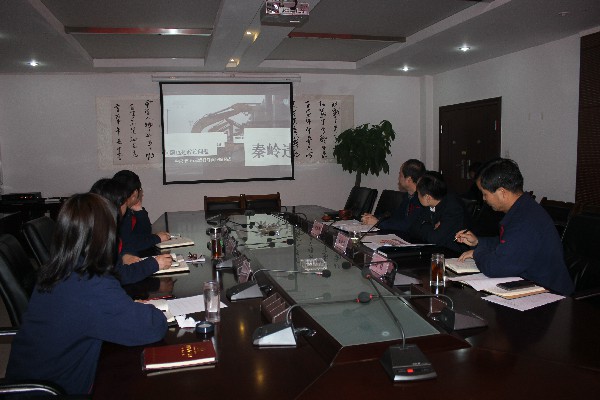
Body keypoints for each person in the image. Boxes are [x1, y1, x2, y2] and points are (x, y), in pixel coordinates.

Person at [6, 193, 168, 395]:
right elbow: (153, 327)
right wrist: (144, 309)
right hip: (52, 391)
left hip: (33, 380)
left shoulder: (58, 269)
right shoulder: (91, 283)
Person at [455, 158, 574, 295]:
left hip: (550, 295)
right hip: (529, 285)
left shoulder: (525, 220)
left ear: (502, 192)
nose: (484, 199)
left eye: (485, 194)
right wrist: (478, 242)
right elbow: (508, 243)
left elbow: (496, 267)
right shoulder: (523, 208)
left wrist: (477, 253)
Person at [90, 178, 172, 284]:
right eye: (125, 200)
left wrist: (125, 254)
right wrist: (154, 264)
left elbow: (125, 242)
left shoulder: (97, 224)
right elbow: (117, 276)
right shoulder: (102, 233)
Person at [113, 170, 170, 255]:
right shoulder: (119, 213)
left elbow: (143, 235)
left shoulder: (125, 209)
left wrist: (139, 210)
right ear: (135, 193)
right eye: (140, 190)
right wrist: (156, 238)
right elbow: (128, 245)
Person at [409, 171, 468, 253]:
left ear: (428, 197)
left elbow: (434, 239)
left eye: (418, 193)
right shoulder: (430, 203)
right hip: (436, 249)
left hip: (454, 253)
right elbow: (413, 228)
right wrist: (432, 227)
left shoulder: (453, 208)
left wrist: (425, 225)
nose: (417, 196)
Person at [361, 159, 425, 233]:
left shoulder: (422, 200)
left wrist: (378, 223)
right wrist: (374, 218)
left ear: (409, 180)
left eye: (400, 175)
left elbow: (406, 226)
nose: (398, 178)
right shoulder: (408, 196)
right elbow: (396, 218)